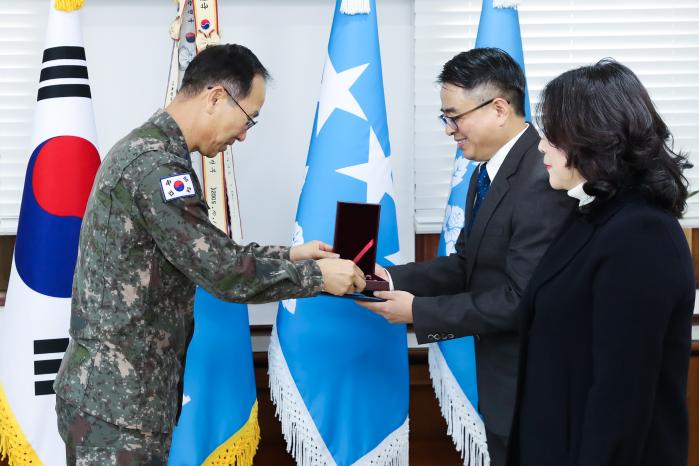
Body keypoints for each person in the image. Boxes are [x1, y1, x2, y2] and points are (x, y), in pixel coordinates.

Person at [53, 44, 365, 465]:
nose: (243, 134)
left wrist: (292, 255)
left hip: (121, 398)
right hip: (116, 406)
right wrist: (316, 278)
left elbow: (207, 249)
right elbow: (223, 272)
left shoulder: (154, 153)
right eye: (248, 118)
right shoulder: (156, 166)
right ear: (216, 97)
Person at [358, 47, 575, 465]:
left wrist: (419, 313)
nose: (449, 130)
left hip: (536, 391)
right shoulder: (488, 171)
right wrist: (390, 278)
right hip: (504, 388)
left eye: (454, 116)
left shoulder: (543, 175)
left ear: (498, 108)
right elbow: (466, 266)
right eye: (445, 117)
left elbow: (521, 299)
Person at [505, 59, 695, 466]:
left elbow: (620, 398)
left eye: (552, 136)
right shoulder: (589, 214)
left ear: (593, 137)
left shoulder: (642, 235)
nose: (540, 145)